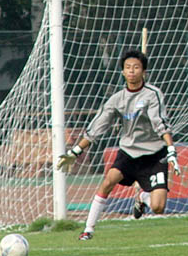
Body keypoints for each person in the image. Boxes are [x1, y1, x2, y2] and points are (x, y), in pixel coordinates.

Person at [57, 49, 181, 240]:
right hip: (128, 153)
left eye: (136, 67)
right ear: (123, 72)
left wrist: (171, 150)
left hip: (155, 154)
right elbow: (97, 127)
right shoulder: (116, 99)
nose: (132, 71)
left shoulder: (153, 94)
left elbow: (160, 123)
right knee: (108, 181)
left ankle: (142, 197)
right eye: (128, 67)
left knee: (158, 207)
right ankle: (88, 229)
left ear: (144, 71)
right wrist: (75, 151)